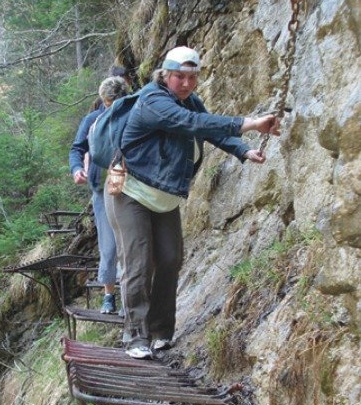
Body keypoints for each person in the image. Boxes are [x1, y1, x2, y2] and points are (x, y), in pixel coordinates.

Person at [104, 46, 280, 359]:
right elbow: (192, 124)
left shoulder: (191, 101)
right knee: (139, 262)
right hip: (131, 192)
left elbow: (208, 126)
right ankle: (136, 337)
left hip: (164, 196)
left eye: (191, 77)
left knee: (170, 259)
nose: (185, 83)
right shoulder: (153, 100)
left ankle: (160, 332)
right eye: (178, 76)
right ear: (165, 75)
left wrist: (243, 150)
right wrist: (251, 123)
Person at [69, 76, 129, 314]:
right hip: (101, 186)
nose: (111, 106)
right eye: (108, 102)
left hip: (129, 187)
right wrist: (77, 169)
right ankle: (108, 295)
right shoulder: (93, 119)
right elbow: (77, 148)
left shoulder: (133, 116)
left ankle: (127, 296)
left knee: (129, 243)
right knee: (108, 244)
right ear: (103, 101)